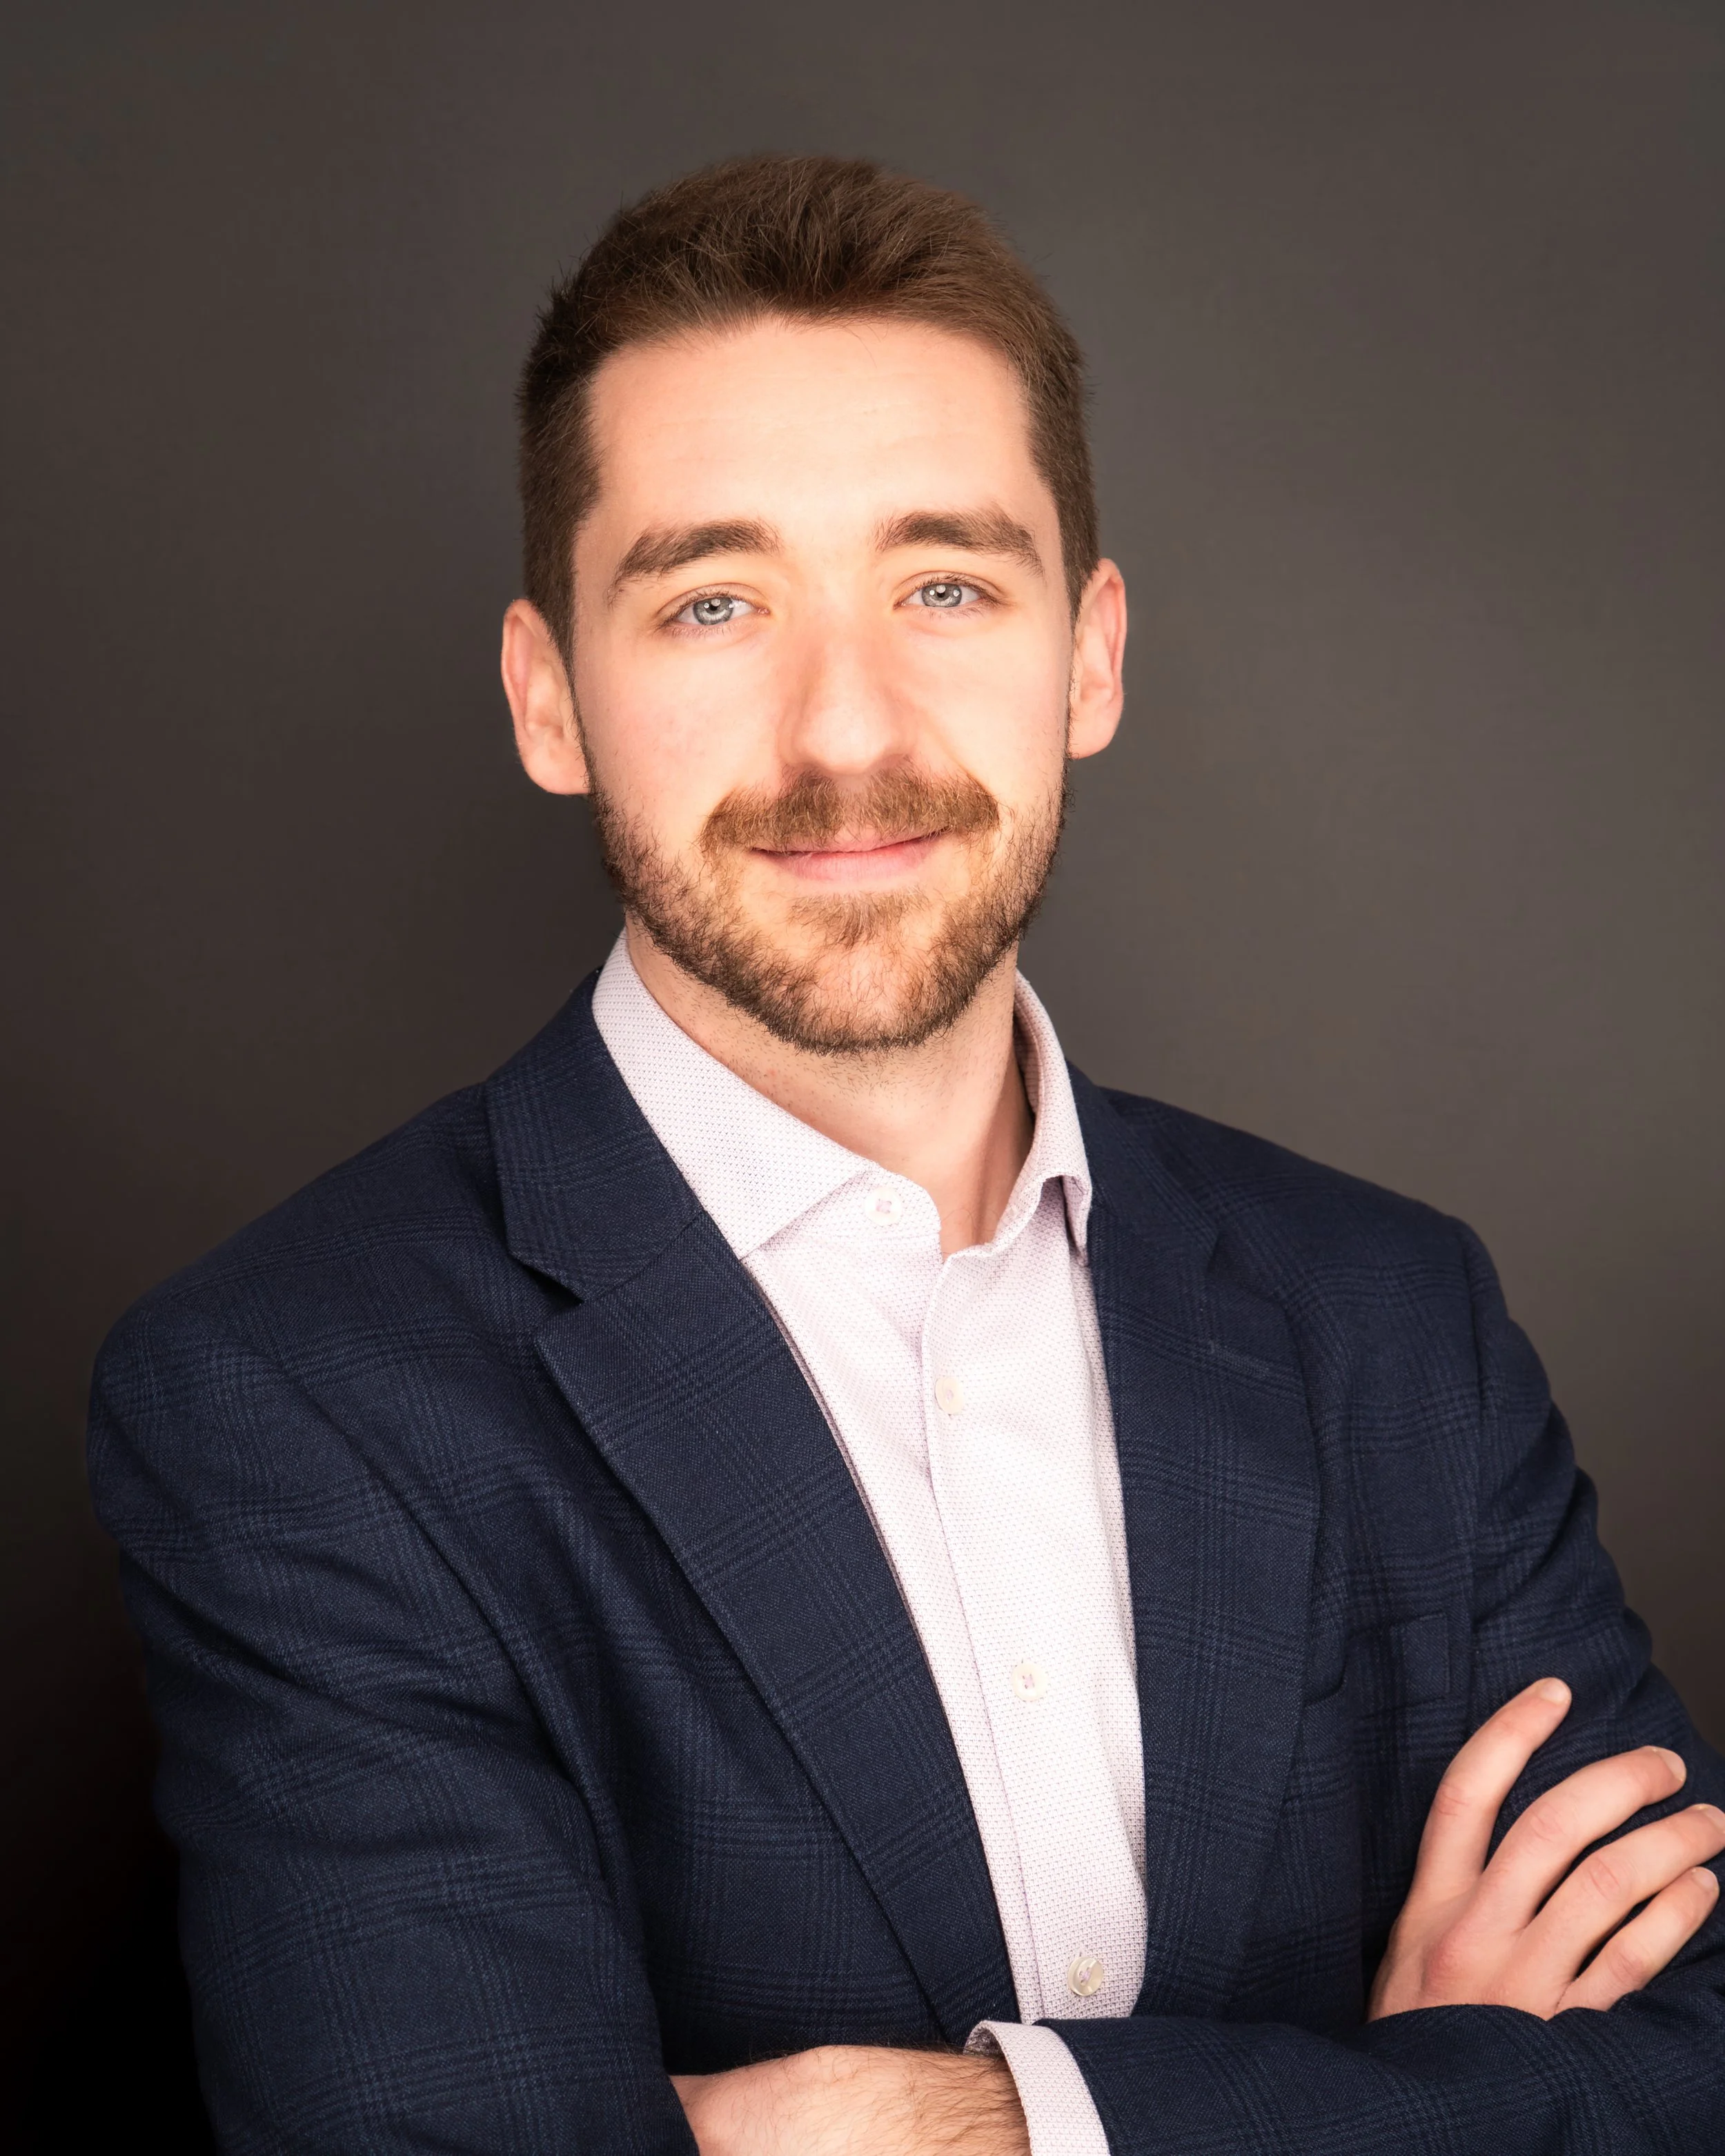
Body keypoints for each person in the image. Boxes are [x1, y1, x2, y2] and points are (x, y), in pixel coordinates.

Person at [88, 154, 1725, 2155]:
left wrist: (988, 2127)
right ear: (548, 697)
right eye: (713, 602)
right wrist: (1421, 2102)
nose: (845, 732)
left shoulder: (1396, 1320)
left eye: (945, 585)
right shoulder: (295, 1394)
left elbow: (1691, 2072)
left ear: (1088, 657)